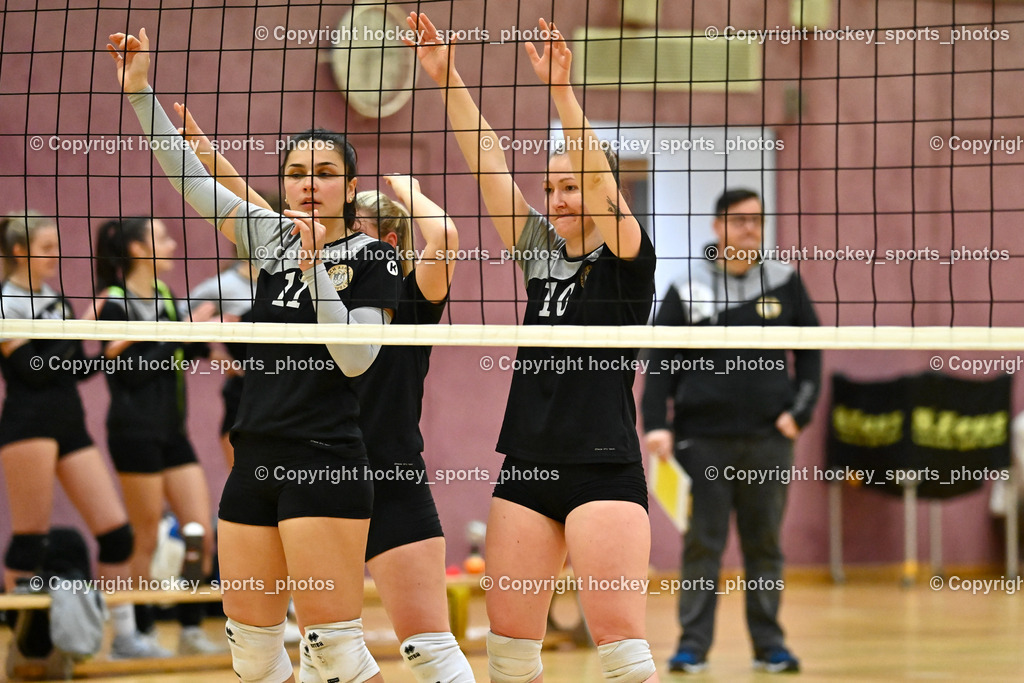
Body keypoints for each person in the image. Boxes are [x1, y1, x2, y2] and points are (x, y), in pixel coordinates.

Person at [109, 27, 399, 683]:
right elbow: (191, 180)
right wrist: (139, 94)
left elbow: (356, 359)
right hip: (255, 449)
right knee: (254, 655)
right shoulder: (266, 234)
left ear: (350, 187)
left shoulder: (375, 257)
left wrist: (314, 266)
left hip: (324, 455)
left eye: (325, 174)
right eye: (296, 174)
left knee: (336, 655)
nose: (308, 185)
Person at [175, 100, 472, 680]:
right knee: (316, 651)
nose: (336, 233)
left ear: (386, 237)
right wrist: (209, 159)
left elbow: (444, 239)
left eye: (359, 224)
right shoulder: (303, 255)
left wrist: (406, 187)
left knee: (423, 649)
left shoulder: (405, 290)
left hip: (383, 473)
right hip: (309, 465)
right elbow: (264, 218)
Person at [410, 13, 659, 683]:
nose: (558, 197)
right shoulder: (541, 256)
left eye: (570, 185)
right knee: (511, 654)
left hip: (603, 467)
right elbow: (489, 161)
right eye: (551, 187)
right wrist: (447, 78)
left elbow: (600, 181)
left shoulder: (628, 262)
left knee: (623, 659)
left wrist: (560, 92)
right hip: (528, 465)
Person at [641, 188, 822, 674]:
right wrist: (655, 424)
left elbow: (812, 353)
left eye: (757, 221)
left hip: (768, 439)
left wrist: (798, 414)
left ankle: (770, 647)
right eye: (739, 221)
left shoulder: (784, 282)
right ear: (717, 227)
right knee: (704, 543)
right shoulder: (687, 286)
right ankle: (692, 647)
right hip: (702, 439)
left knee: (765, 544)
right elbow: (660, 364)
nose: (750, 229)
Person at [0, 211, 159, 659]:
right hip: (27, 426)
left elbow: (71, 369)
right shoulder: (6, 302)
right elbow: (31, 370)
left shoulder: (57, 301)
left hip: (70, 424)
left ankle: (123, 637)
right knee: (30, 540)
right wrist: (73, 339)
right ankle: (27, 646)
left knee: (117, 536)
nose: (56, 256)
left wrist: (111, 349)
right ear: (19, 252)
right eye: (48, 248)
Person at [94, 215, 224, 656]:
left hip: (173, 431)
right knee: (145, 537)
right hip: (133, 431)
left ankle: (189, 627)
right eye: (160, 237)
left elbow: (174, 355)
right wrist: (182, 333)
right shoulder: (113, 301)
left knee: (197, 533)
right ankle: (137, 632)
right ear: (135, 248)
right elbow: (129, 371)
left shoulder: (167, 297)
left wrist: (211, 338)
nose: (170, 243)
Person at [186, 259, 256, 467]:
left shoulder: (292, 279)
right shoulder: (222, 286)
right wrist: (215, 356)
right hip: (243, 397)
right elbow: (177, 326)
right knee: (247, 488)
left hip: (285, 396)